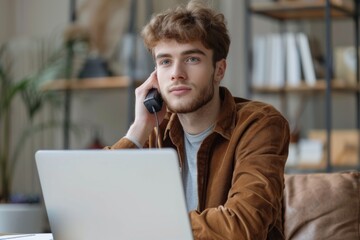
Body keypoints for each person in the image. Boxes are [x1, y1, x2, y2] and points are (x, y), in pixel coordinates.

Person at [106, 1, 290, 239]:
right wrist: (138, 129)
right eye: (165, 61)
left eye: (192, 59)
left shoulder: (260, 124)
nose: (176, 73)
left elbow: (244, 225)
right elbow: (100, 206)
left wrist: (148, 224)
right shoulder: (154, 129)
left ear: (219, 70)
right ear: (155, 75)